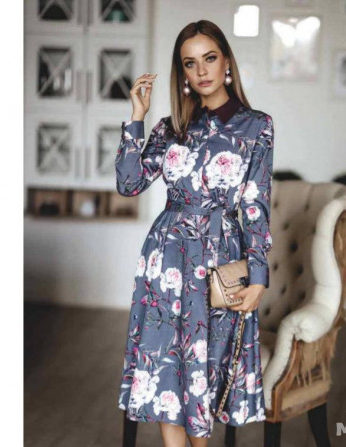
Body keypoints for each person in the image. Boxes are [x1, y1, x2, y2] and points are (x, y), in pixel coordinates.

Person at [115, 20, 274, 446]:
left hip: (220, 258)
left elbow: (255, 204)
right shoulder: (169, 127)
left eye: (209, 58)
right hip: (166, 258)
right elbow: (129, 183)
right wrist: (136, 117)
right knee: (166, 367)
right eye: (190, 63)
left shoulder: (256, 126)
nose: (201, 70)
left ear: (226, 62)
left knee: (204, 371)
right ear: (182, 72)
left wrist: (259, 275)